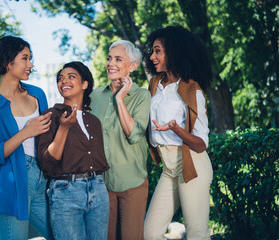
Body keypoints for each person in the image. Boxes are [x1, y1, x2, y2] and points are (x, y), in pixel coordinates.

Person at [0, 36, 53, 240]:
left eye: (30, 58)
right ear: (6, 62)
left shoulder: (37, 94)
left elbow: (49, 139)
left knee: (62, 234)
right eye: (25, 58)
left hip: (42, 179)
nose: (31, 64)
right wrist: (25, 133)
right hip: (9, 186)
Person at [143, 26, 213, 240]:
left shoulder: (192, 90)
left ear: (173, 52)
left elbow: (201, 144)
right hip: (169, 169)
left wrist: (176, 129)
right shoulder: (155, 84)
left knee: (197, 233)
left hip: (192, 165)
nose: (152, 56)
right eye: (152, 52)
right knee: (149, 233)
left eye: (158, 51)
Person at [37, 61, 110, 240]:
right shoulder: (50, 116)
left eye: (71, 77)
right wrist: (63, 129)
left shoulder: (94, 121)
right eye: (60, 78)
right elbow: (47, 163)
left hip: (98, 191)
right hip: (65, 193)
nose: (64, 81)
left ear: (85, 84)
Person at [90, 40, 151, 240]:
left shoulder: (142, 96)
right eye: (109, 58)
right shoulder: (94, 96)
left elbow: (134, 135)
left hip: (132, 183)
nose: (111, 63)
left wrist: (119, 99)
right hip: (102, 186)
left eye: (118, 59)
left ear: (132, 66)